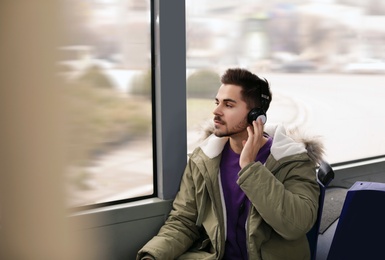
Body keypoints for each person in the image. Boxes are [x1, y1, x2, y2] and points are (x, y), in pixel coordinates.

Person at [137, 68, 324, 260]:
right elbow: (184, 221)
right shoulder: (204, 159)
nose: (216, 111)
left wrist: (250, 168)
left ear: (256, 115)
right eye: (217, 102)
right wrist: (153, 256)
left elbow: (297, 225)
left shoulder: (292, 161)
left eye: (229, 105)